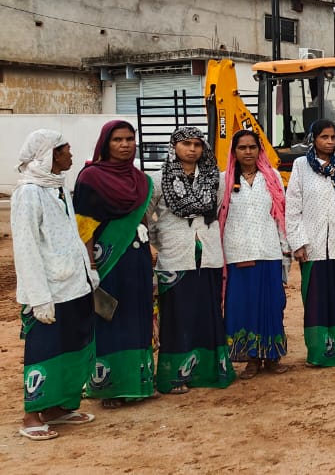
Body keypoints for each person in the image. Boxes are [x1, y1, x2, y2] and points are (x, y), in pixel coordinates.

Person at [13, 130, 97, 440]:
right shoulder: (28, 193)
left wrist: (88, 272)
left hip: (72, 285)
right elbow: (26, 247)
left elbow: (70, 237)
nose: (71, 155)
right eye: (66, 150)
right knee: (44, 351)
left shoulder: (58, 189)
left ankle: (57, 408)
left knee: (71, 347)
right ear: (50, 155)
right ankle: (31, 414)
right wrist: (38, 297)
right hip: (47, 290)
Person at [148, 127, 235, 393]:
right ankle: (175, 376)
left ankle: (208, 372)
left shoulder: (214, 178)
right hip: (174, 254)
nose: (192, 149)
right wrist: (154, 240)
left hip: (207, 254)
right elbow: (146, 214)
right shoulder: (157, 179)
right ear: (174, 146)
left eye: (197, 144)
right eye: (186, 143)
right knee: (177, 317)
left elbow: (219, 210)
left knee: (206, 314)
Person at [75, 120, 155, 408]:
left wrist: (150, 245)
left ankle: (138, 382)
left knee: (138, 315)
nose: (125, 145)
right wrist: (92, 266)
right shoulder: (91, 178)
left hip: (137, 258)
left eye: (130, 139)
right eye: (117, 140)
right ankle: (109, 387)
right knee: (109, 319)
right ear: (105, 143)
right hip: (107, 259)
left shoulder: (140, 179)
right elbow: (83, 226)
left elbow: (142, 217)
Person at [286, 120, 335, 366]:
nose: (330, 142)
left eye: (333, 137)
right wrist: (297, 242)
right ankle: (319, 353)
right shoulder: (301, 166)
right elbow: (293, 206)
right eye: (324, 137)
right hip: (313, 246)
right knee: (315, 300)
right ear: (313, 139)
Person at [220, 130, 290, 378]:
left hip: (269, 251)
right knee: (243, 306)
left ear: (259, 150)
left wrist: (285, 251)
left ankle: (271, 357)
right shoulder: (224, 181)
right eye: (242, 147)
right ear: (234, 151)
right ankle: (250, 359)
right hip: (238, 253)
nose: (248, 152)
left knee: (271, 306)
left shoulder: (271, 179)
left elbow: (281, 217)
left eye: (252, 147)